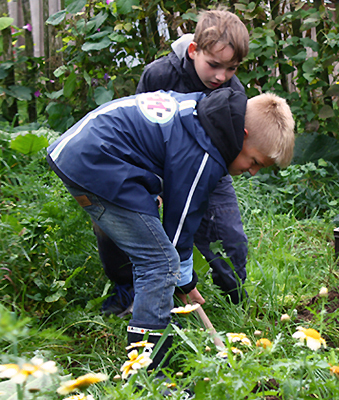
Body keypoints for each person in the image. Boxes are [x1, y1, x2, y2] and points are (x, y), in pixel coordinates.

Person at [47, 88, 295, 374]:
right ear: (244, 134)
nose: (252, 172)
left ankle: (141, 310)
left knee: (146, 240)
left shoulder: (206, 114)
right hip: (99, 161)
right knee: (160, 262)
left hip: (83, 153)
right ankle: (148, 370)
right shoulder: (205, 153)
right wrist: (184, 282)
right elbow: (180, 226)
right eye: (254, 162)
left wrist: (182, 282)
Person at [98, 8, 251, 316]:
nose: (221, 76)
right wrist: (147, 185)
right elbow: (138, 126)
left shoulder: (233, 92)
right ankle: (129, 291)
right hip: (153, 167)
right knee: (118, 227)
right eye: (214, 65)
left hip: (209, 172)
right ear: (194, 50)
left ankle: (233, 299)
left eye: (231, 69)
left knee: (229, 236)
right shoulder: (159, 75)